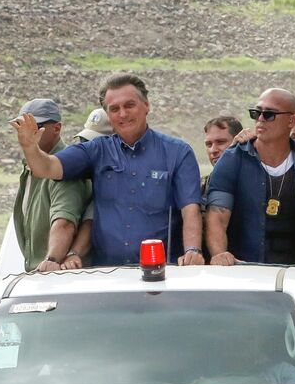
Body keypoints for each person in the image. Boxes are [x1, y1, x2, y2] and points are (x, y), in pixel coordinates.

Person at [11, 73, 203, 266]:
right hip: (107, 277)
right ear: (108, 115)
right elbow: (48, 168)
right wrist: (30, 147)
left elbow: (190, 209)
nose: (123, 114)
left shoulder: (178, 152)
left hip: (161, 273)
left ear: (147, 105)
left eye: (129, 105)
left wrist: (192, 250)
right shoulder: (96, 151)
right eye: (114, 109)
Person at [205, 88, 295, 275]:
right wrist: (220, 254)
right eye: (256, 113)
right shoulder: (232, 160)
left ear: (292, 121)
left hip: (293, 277)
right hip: (241, 273)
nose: (260, 119)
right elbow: (217, 216)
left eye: (269, 115)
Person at [10, 98, 91, 271]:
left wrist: (51, 259)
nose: (27, 132)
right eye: (22, 126)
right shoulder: (29, 169)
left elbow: (64, 222)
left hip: (59, 276)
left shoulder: (65, 168)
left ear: (57, 128)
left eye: (35, 127)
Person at [201, 115, 242, 205]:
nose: (213, 150)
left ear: (239, 142)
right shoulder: (201, 187)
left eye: (221, 142)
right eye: (208, 144)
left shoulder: (257, 181)